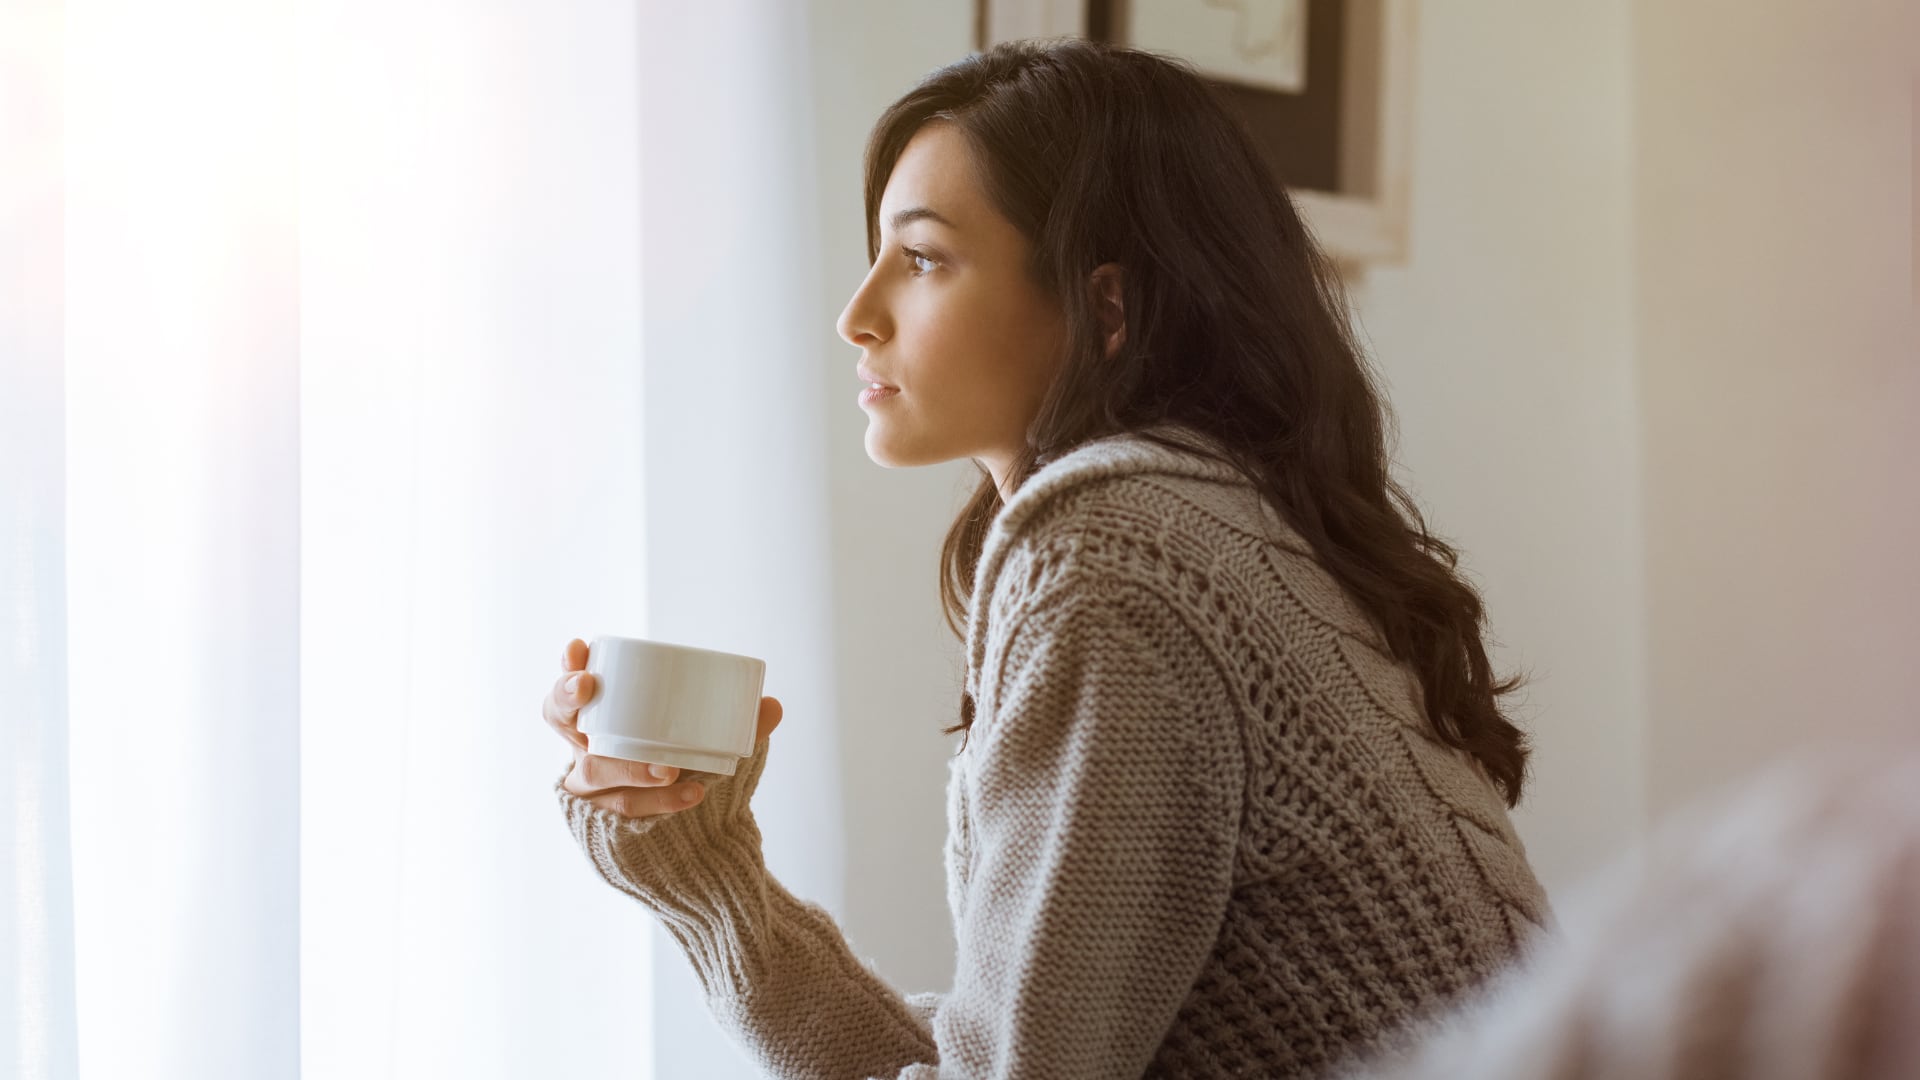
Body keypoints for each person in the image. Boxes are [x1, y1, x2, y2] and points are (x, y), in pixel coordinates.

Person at [543, 36, 1552, 1079]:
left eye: (923, 257)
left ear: (1105, 309)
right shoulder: (1213, 521)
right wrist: (705, 874)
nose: (857, 314)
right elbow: (993, 1055)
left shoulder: (1117, 555)